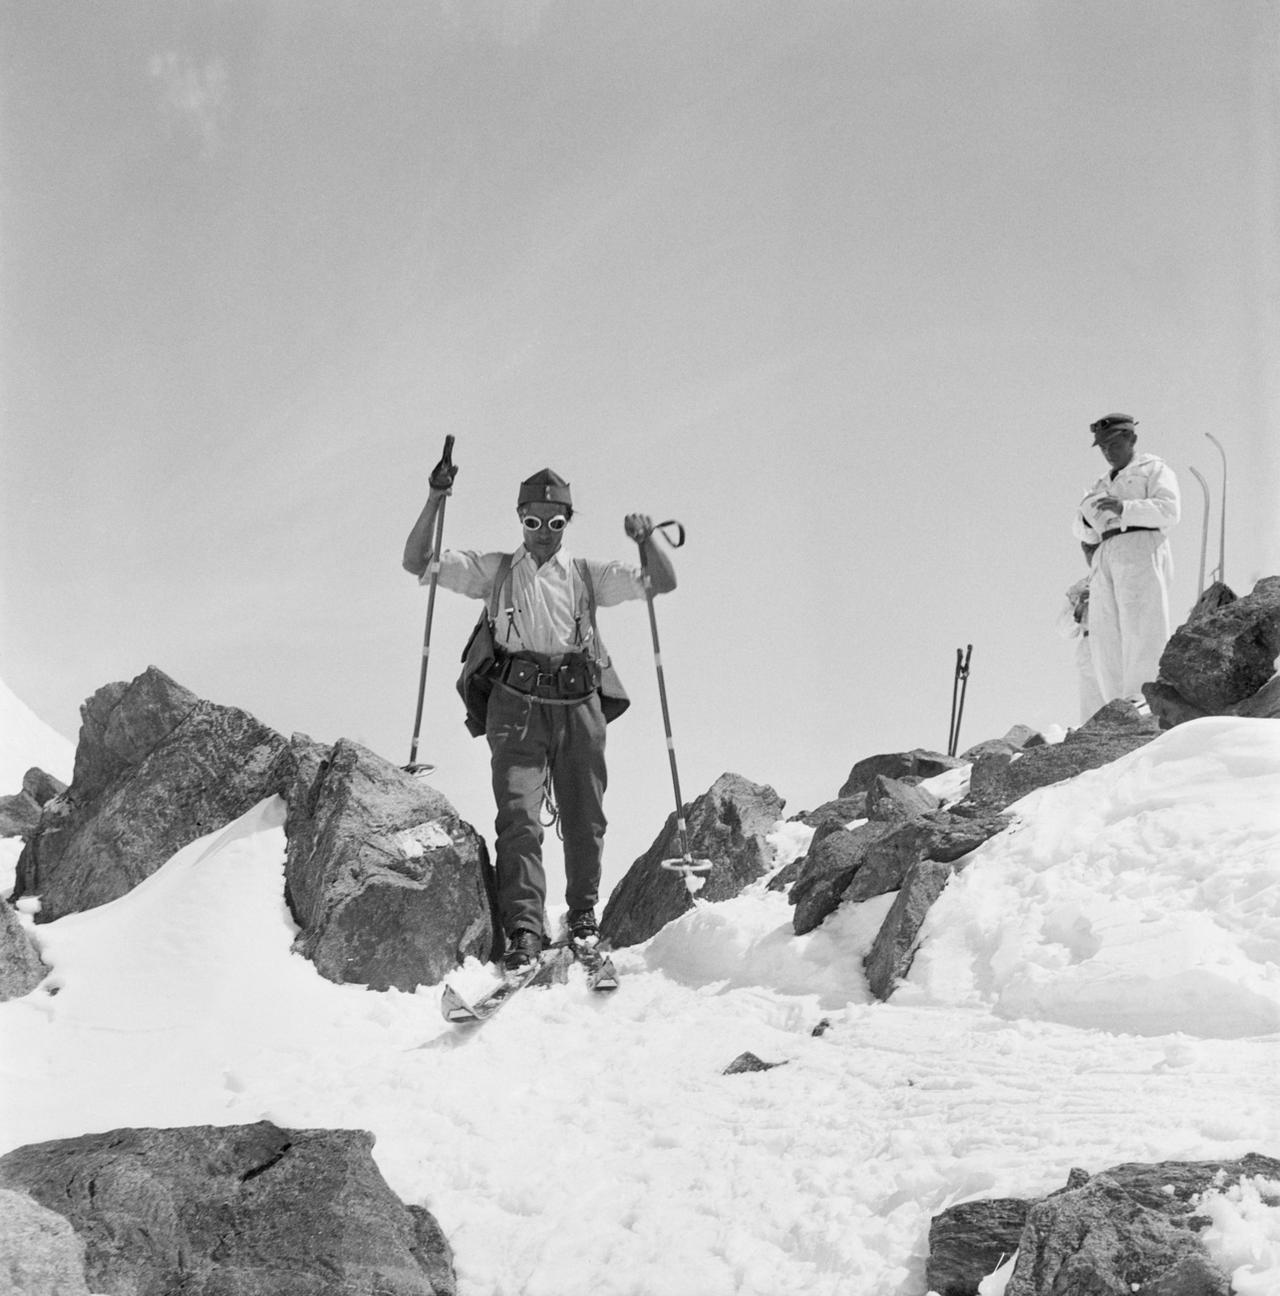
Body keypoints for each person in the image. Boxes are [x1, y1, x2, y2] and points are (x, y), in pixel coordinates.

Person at [402, 458, 676, 975]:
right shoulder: (494, 570)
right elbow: (417, 562)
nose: (544, 532)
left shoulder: (588, 575)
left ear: (567, 522)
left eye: (555, 522)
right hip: (516, 705)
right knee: (519, 818)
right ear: (520, 519)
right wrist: (435, 498)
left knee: (584, 818)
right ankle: (524, 928)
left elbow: (662, 583)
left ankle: (582, 918)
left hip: (579, 705)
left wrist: (646, 542)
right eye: (533, 522)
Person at [1072, 413, 1180, 707]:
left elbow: (1169, 510)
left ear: (1131, 439)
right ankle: (1116, 703)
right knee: (1106, 631)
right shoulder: (1100, 482)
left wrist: (1125, 507)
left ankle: (1143, 695)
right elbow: (1084, 531)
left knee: (1142, 621)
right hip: (1107, 552)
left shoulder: (1153, 469)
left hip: (1140, 544)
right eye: (1104, 447)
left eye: (1114, 444)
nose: (1109, 452)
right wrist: (1085, 517)